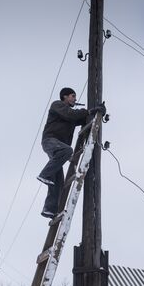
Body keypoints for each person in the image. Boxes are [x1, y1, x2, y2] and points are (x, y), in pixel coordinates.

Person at [37, 87, 104, 218]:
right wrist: (89, 110)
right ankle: (45, 174)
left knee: (58, 181)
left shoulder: (70, 115)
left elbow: (82, 119)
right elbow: (71, 114)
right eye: (72, 96)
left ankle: (49, 209)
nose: (75, 99)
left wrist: (98, 113)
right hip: (50, 141)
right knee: (67, 151)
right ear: (65, 97)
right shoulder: (57, 105)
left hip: (59, 147)